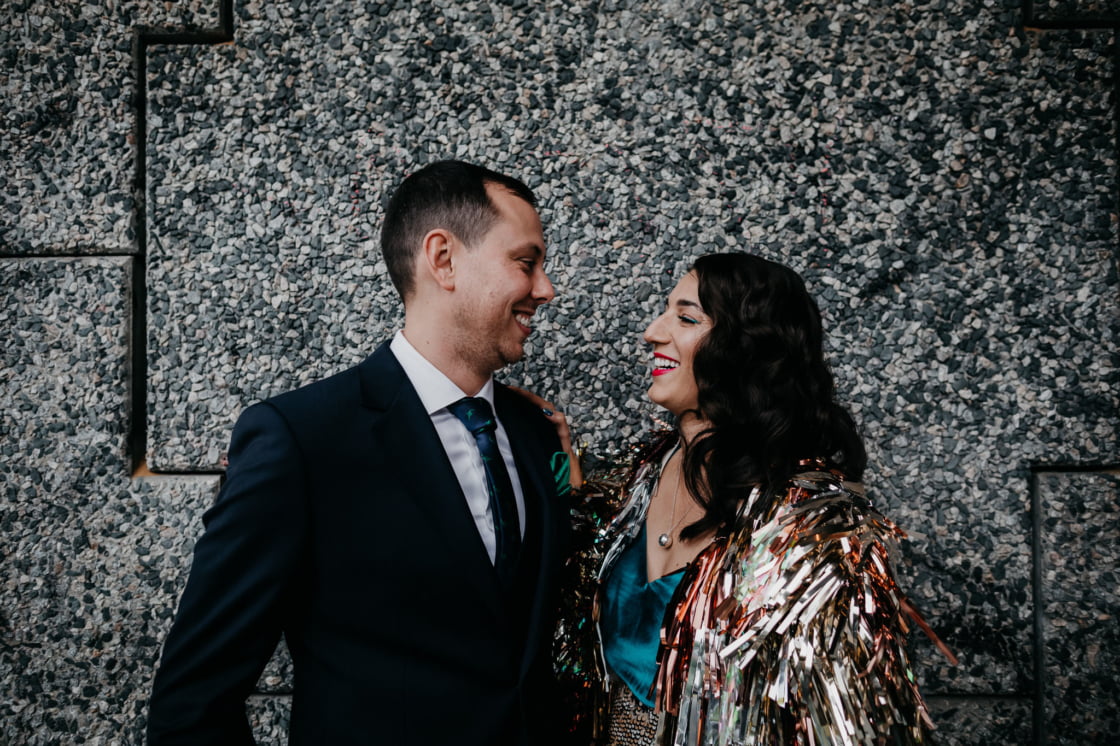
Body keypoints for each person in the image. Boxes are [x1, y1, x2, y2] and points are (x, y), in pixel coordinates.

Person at [147, 160, 574, 745]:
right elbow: (192, 702)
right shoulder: (302, 439)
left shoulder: (536, 434)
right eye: (526, 263)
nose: (546, 290)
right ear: (443, 259)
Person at [540, 253, 954, 745]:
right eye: (665, 312)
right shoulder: (638, 481)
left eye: (686, 318)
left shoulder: (812, 531)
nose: (652, 332)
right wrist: (561, 465)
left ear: (746, 348)